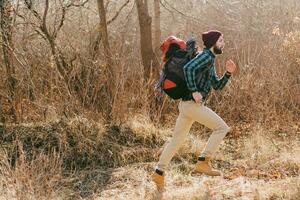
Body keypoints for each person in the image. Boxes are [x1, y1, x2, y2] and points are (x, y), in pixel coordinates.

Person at [152, 30, 237, 190]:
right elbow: (188, 69)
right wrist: (194, 90)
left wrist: (228, 73)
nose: (223, 43)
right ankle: (203, 161)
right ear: (213, 43)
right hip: (192, 105)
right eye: (220, 40)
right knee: (222, 128)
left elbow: (217, 85)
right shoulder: (205, 56)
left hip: (186, 106)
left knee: (176, 141)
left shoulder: (209, 59)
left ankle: (158, 172)